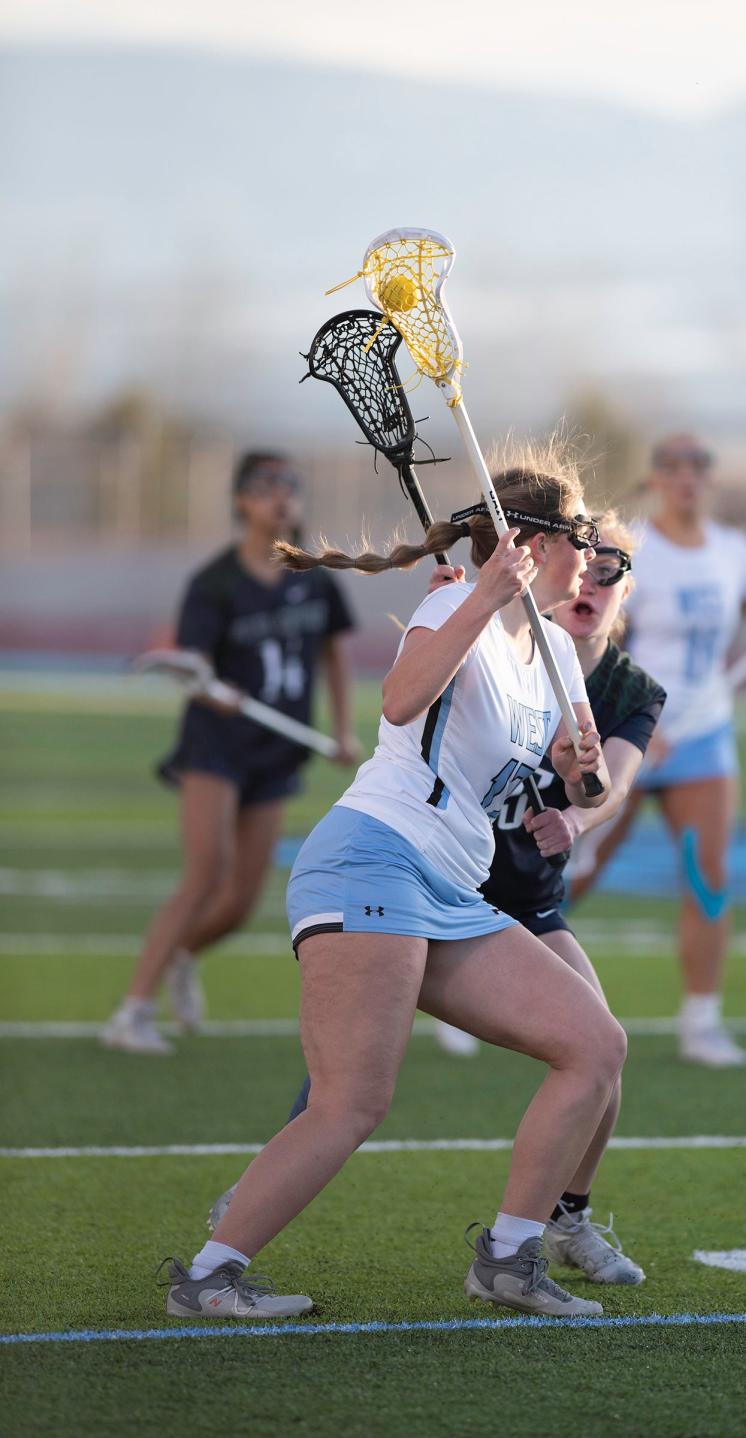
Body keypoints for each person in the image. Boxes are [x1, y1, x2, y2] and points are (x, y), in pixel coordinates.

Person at [159, 445, 630, 1323]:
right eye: (582, 532)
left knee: (595, 1044)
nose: (594, 549)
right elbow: (401, 700)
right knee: (351, 1102)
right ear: (532, 542)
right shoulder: (460, 599)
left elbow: (584, 784)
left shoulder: (563, 655)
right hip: (374, 856)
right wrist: (481, 597)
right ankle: (210, 1275)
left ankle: (509, 1255)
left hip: (453, 889)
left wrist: (584, 768)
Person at [569, 434, 746, 1068]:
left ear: (710, 479)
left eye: (698, 467)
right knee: (575, 868)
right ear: (655, 478)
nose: (687, 478)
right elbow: (599, 631)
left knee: (709, 878)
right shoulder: (633, 548)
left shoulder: (734, 552)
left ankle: (702, 1021)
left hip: (704, 734)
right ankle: (489, 983)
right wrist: (639, 726)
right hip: (630, 726)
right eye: (673, 467)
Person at [101, 451, 360, 1055]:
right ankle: (131, 1011)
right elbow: (194, 666)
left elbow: (336, 655)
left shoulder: (316, 577)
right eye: (267, 486)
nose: (282, 497)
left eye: (291, 486)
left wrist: (344, 729)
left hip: (277, 750)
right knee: (205, 872)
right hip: (215, 746)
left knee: (241, 901)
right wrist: (211, 688)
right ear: (242, 500)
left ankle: (183, 956)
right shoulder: (214, 582)